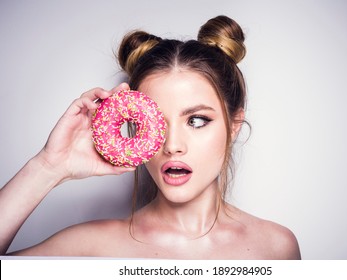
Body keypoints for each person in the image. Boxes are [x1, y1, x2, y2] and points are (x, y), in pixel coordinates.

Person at [0, 15, 301, 259]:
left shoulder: (276, 248)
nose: (172, 146)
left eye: (196, 120)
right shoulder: (89, 249)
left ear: (234, 125)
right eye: (154, 123)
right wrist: (48, 166)